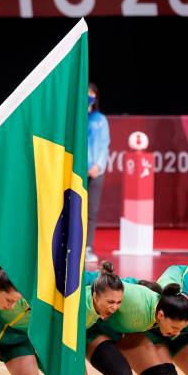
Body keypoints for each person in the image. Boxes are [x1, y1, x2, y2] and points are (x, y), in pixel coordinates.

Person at [85, 83, 110, 263]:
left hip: (95, 172)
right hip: (76, 170)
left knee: (90, 212)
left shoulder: (100, 119)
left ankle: (87, 247)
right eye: (86, 95)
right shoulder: (74, 117)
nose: (89, 97)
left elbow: (104, 145)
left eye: (92, 94)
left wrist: (97, 167)